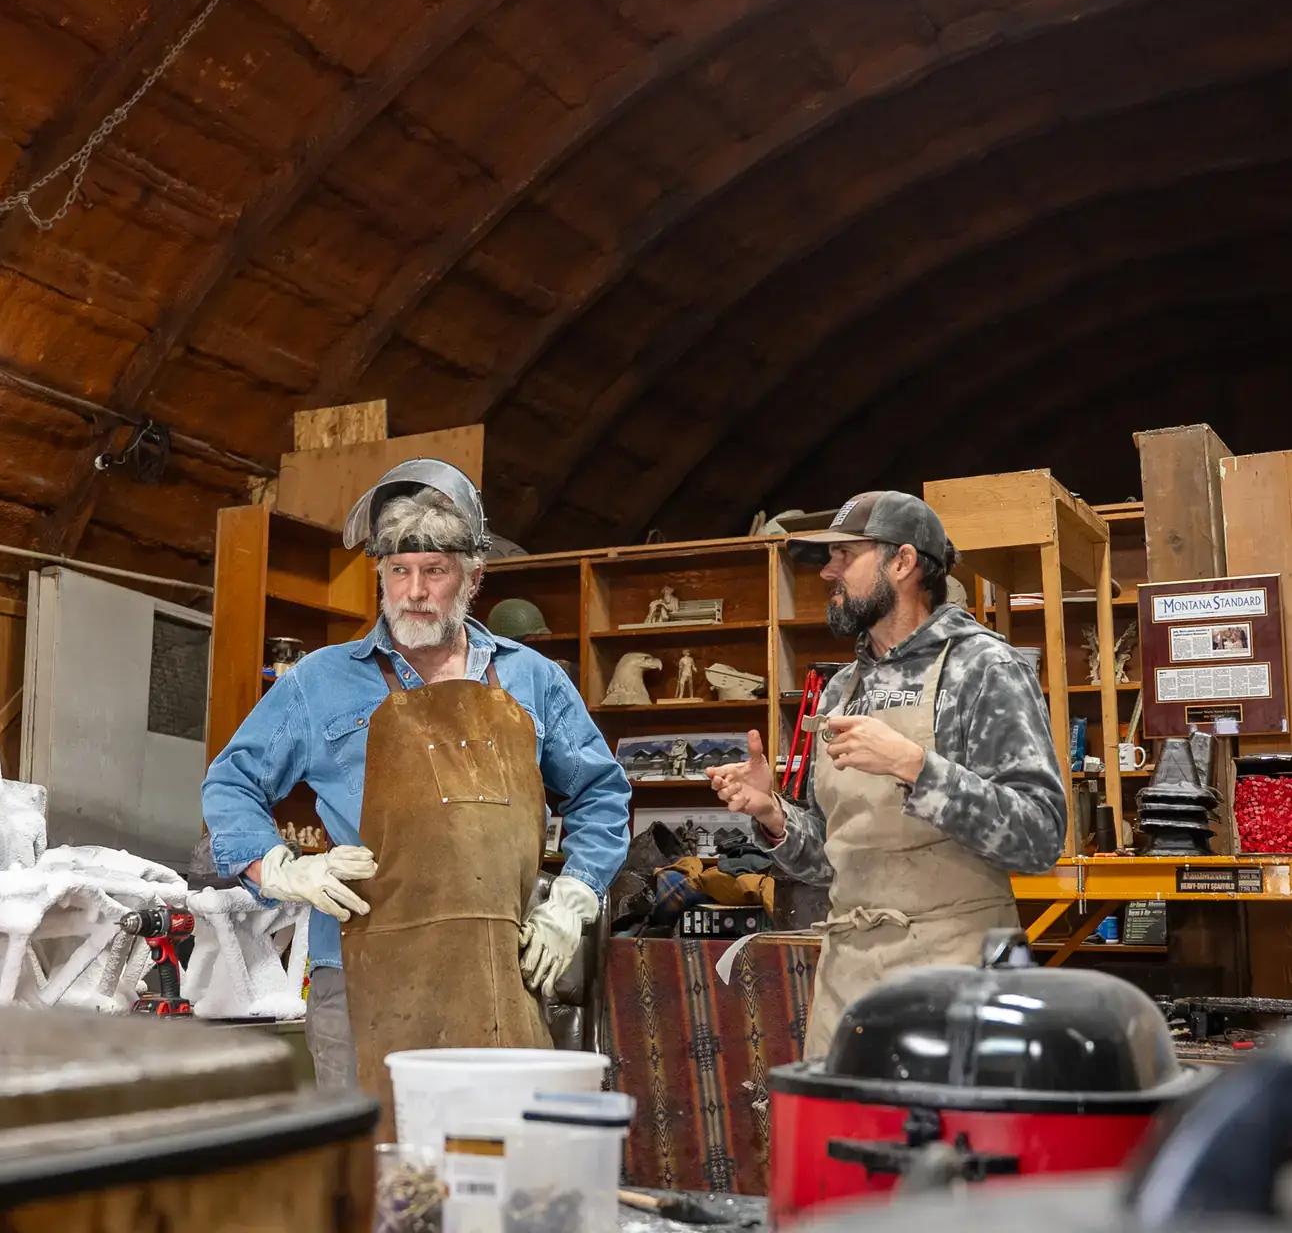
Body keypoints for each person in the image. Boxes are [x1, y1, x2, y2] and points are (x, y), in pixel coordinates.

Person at [202, 459, 631, 1101]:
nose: (415, 590)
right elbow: (230, 782)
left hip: (498, 966)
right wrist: (280, 868)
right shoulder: (320, 681)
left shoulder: (532, 679)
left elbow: (602, 794)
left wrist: (573, 898)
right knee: (376, 1172)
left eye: (435, 570)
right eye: (399, 571)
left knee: (496, 1160)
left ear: (472, 576)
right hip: (359, 972)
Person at [708, 491, 1065, 1058]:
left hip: (956, 969)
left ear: (902, 562)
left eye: (845, 555)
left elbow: (1040, 837)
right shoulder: (842, 687)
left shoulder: (983, 668)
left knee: (943, 1145)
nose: (828, 571)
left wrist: (914, 766)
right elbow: (834, 857)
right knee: (834, 1141)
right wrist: (773, 815)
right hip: (847, 975)